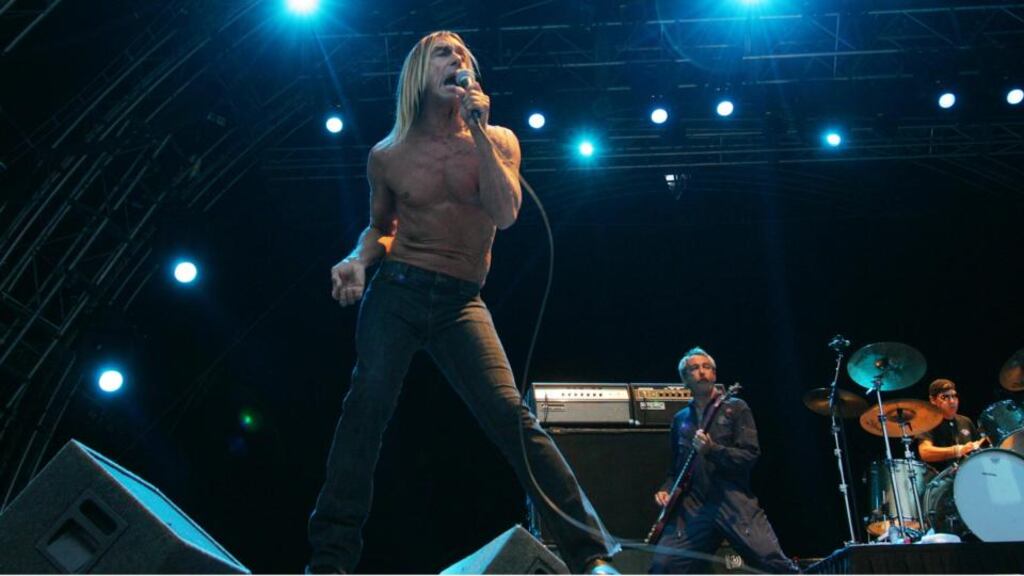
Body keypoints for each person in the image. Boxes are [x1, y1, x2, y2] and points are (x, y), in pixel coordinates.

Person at [306, 31, 617, 575]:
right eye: (446, 53)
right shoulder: (388, 154)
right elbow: (381, 228)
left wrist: (478, 131)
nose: (460, 60)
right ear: (419, 72)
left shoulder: (498, 139)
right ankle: (330, 562)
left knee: (511, 416)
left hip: (460, 301)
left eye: (466, 55)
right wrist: (357, 260)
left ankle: (591, 556)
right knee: (365, 410)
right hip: (397, 290)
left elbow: (506, 213)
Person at [649, 347, 798, 574]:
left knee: (770, 561)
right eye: (694, 369)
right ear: (684, 379)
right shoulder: (680, 420)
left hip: (732, 500)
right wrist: (666, 489)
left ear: (715, 375)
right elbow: (675, 469)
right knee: (664, 566)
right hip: (695, 505)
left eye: (706, 367)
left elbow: (749, 455)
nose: (702, 372)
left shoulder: (736, 408)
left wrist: (713, 450)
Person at [917, 379, 984, 470]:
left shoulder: (965, 421)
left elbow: (980, 448)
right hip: (940, 478)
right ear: (933, 400)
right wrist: (957, 451)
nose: (952, 401)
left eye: (954, 396)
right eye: (945, 397)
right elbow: (925, 452)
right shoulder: (928, 423)